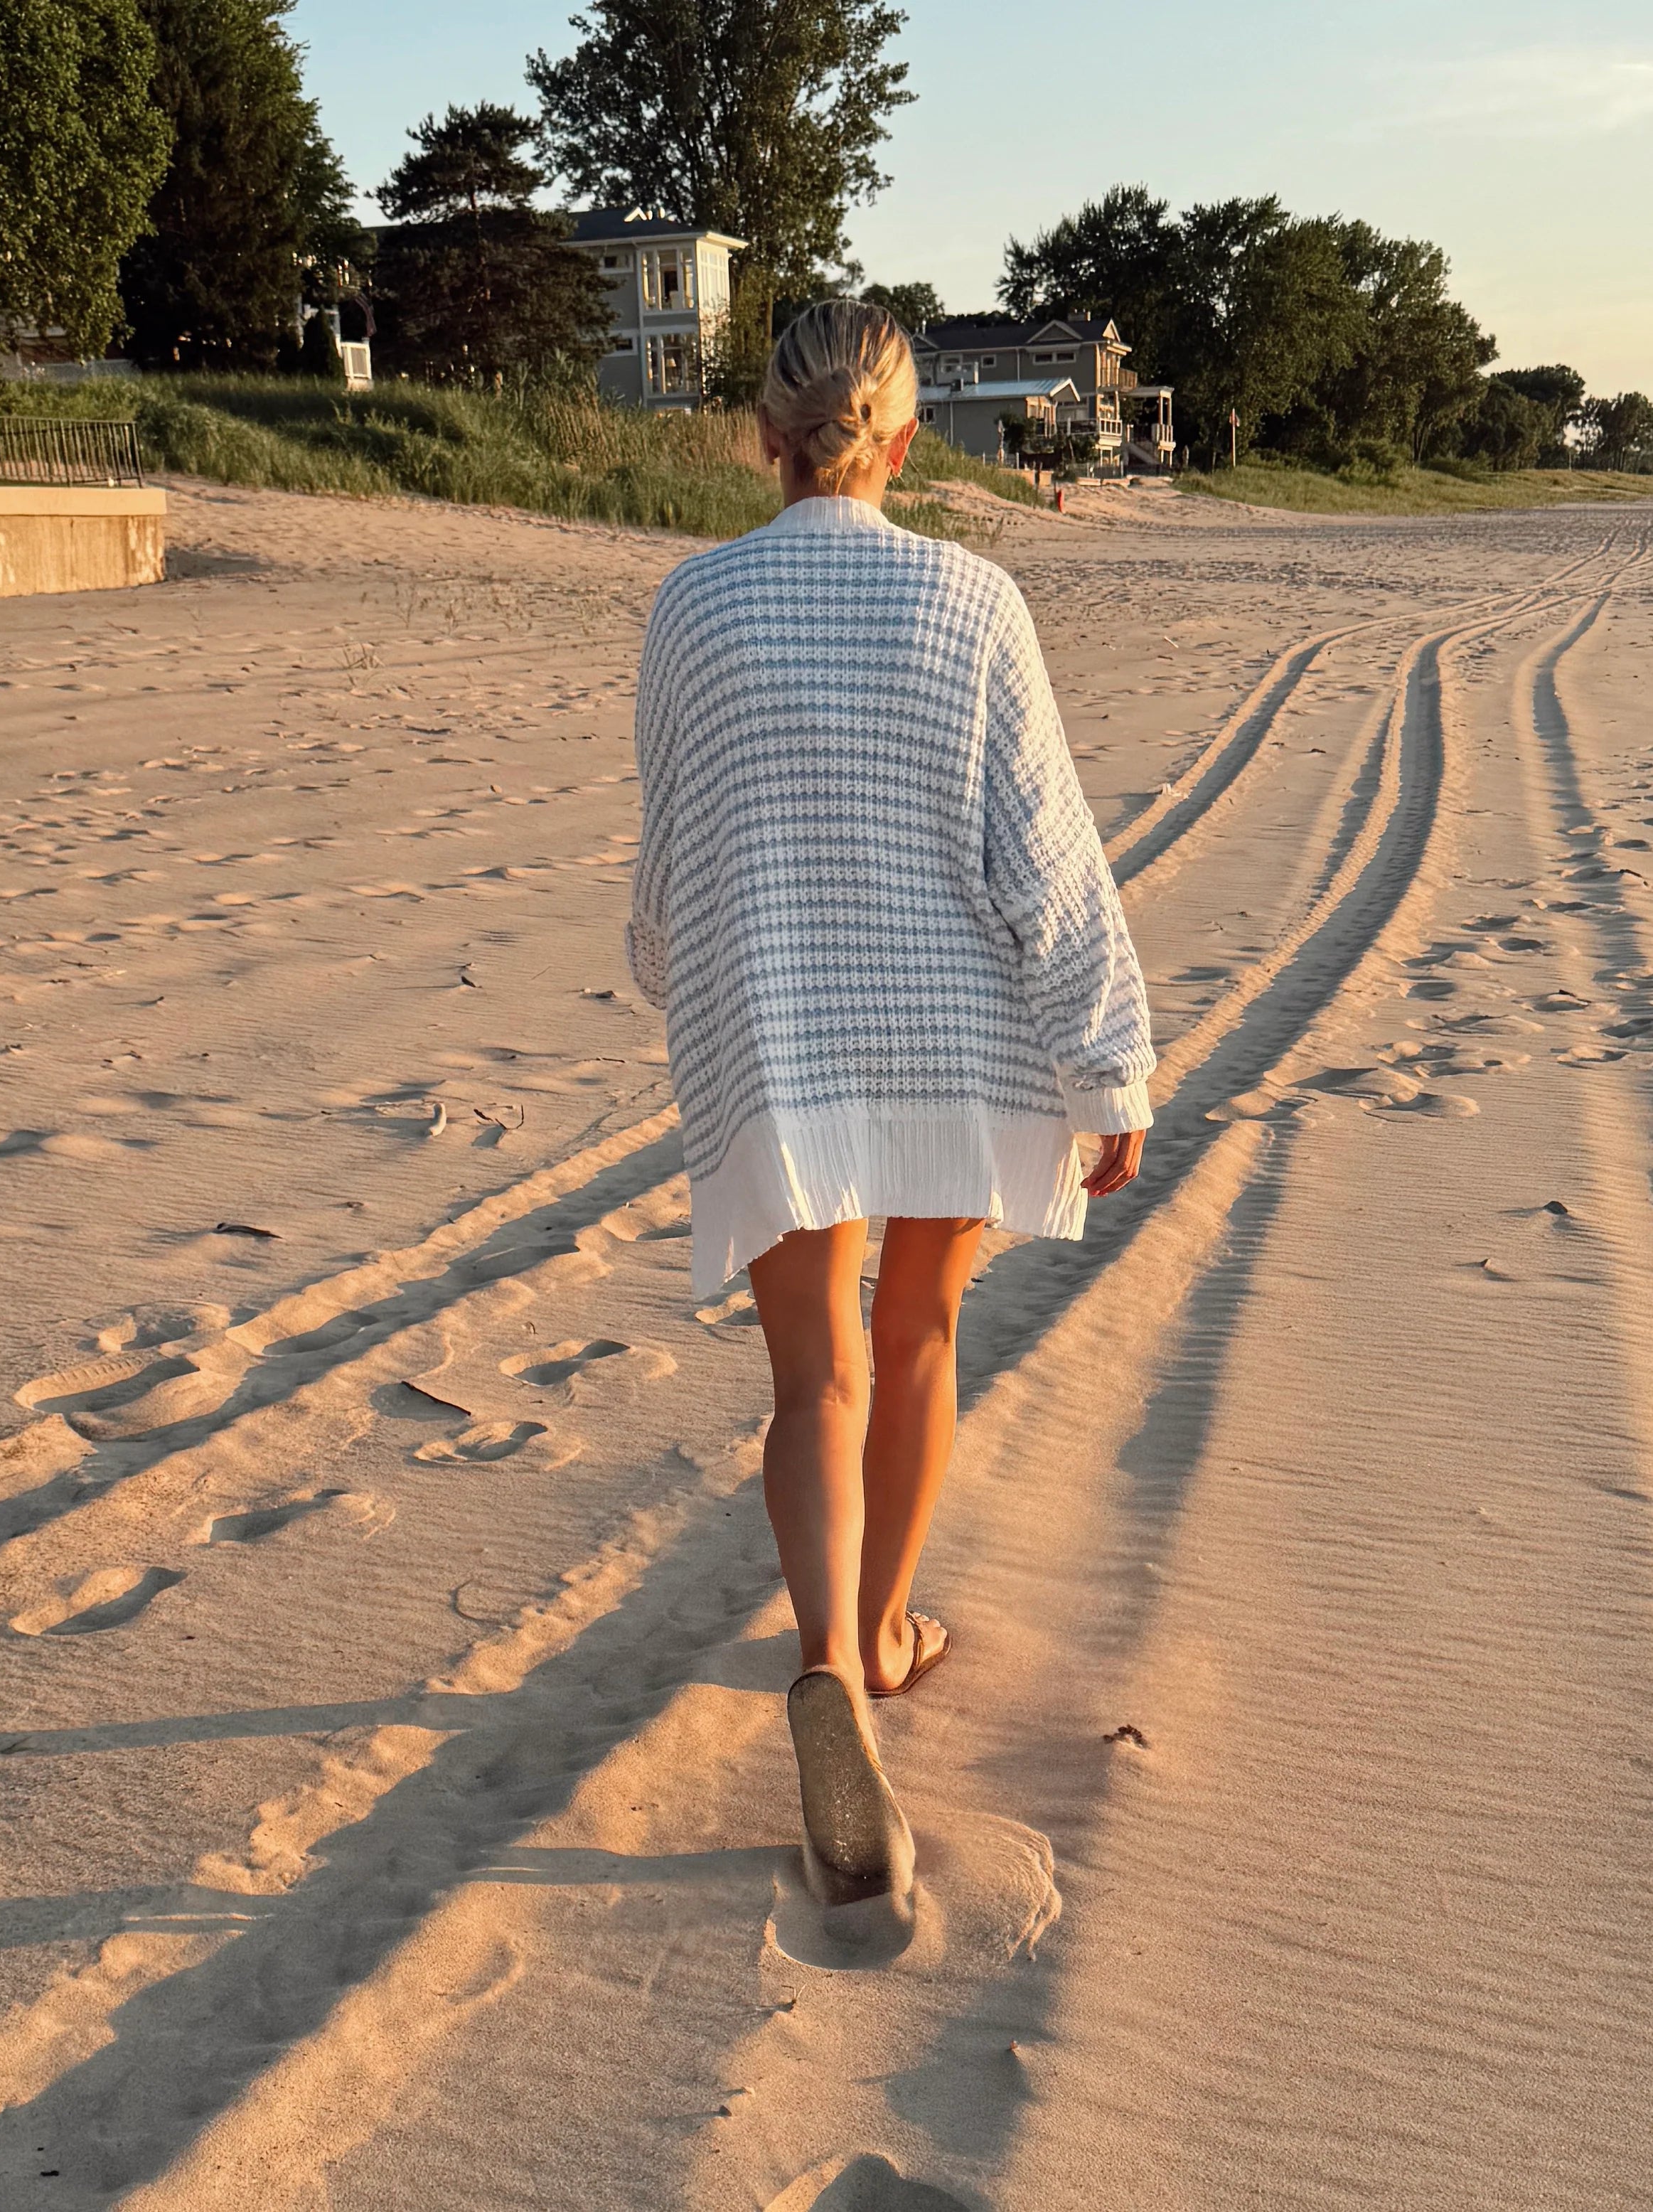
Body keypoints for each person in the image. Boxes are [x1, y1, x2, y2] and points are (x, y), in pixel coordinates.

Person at [626, 301, 1155, 1908]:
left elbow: (669, 856)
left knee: (816, 1375)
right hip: (957, 1033)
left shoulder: (694, 605)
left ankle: (829, 1663)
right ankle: (889, 1627)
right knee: (920, 1325)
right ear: (907, 440)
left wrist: (673, 972)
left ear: (762, 442)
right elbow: (1043, 855)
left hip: (780, 1029)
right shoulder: (975, 597)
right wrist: (1109, 1056)